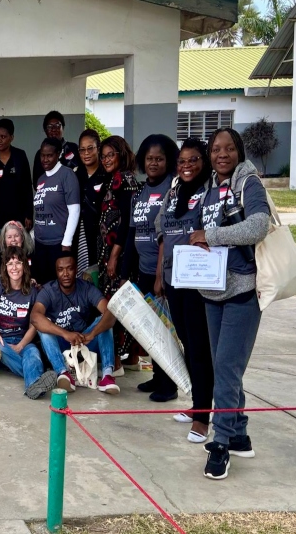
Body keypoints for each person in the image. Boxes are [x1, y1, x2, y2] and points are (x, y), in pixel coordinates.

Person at [190, 127, 270, 480]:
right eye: (215, 149)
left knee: (225, 368)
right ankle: (238, 433)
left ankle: (220, 443)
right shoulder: (208, 188)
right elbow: (198, 229)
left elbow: (257, 227)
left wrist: (212, 235)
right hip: (212, 292)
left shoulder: (248, 184)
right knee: (227, 367)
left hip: (241, 292)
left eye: (228, 148)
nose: (221, 154)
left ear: (238, 151)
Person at [155, 138, 214, 445]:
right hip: (173, 278)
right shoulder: (174, 190)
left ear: (203, 162)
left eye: (193, 160)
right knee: (188, 345)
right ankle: (196, 406)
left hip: (198, 282)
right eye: (182, 161)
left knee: (200, 348)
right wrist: (160, 276)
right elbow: (162, 230)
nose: (186, 166)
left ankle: (204, 418)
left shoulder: (210, 192)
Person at [122, 134, 179, 402]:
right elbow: (132, 233)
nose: (154, 163)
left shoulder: (173, 189)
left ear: (169, 161)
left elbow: (167, 236)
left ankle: (170, 385)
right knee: (150, 330)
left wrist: (159, 276)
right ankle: (158, 375)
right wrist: (126, 272)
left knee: (165, 330)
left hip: (163, 273)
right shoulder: (140, 192)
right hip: (143, 271)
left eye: (159, 158)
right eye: (149, 158)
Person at [31, 255, 119, 394]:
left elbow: (111, 313)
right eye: (60, 270)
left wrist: (92, 333)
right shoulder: (48, 290)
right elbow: (35, 317)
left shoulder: (86, 288)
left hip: (84, 340)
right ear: (56, 272)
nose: (65, 274)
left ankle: (107, 375)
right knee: (43, 327)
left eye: (69, 269)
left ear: (76, 270)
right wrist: (65, 334)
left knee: (104, 321)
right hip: (62, 343)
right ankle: (63, 373)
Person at [0, 246, 59, 399]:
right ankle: (37, 378)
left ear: (25, 265)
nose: (14, 267)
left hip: (23, 339)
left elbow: (34, 324)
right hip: (1, 338)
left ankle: (32, 387)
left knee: (33, 354)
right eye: (10, 263)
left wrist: (21, 345)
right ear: (5, 267)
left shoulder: (32, 290)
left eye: (18, 263)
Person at [97, 135, 141, 299]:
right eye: (103, 156)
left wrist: (114, 256)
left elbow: (127, 222)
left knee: (119, 301)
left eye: (110, 155)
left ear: (121, 154)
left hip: (119, 253)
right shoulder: (112, 179)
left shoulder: (124, 179)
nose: (106, 160)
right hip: (108, 251)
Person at [32, 137, 81, 285]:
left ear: (58, 154)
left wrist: (67, 242)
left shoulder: (67, 175)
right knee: (43, 285)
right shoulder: (41, 179)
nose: (45, 159)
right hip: (40, 244)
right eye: (42, 155)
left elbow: (75, 210)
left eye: (49, 155)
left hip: (58, 244)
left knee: (59, 286)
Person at [0, 118, 33, 232]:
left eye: (3, 137)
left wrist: (29, 214)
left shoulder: (20, 156)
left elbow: (27, 187)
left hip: (19, 218)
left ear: (11, 138)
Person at [74, 129, 110, 273]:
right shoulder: (75, 175)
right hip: (79, 233)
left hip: (100, 236)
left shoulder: (106, 174)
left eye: (90, 148)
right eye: (82, 150)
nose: (86, 153)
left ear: (98, 148)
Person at [32, 111, 80, 183]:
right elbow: (37, 182)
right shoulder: (40, 154)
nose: (54, 129)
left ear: (63, 127)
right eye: (50, 126)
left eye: (57, 125)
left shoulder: (73, 148)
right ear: (45, 131)